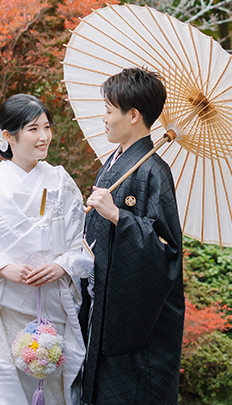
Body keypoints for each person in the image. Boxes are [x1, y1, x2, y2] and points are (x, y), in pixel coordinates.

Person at [0, 94, 93, 405]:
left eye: (47, 127)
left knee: (51, 390)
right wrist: (3, 268)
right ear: (7, 136)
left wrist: (62, 266)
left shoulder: (61, 182)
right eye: (33, 129)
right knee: (3, 391)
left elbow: (81, 244)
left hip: (50, 306)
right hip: (3, 308)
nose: (44, 137)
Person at [80, 67, 184, 405]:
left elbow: (167, 251)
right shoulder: (113, 164)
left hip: (133, 331)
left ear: (133, 115)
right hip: (102, 309)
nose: (104, 118)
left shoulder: (154, 171)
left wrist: (117, 216)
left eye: (109, 111)